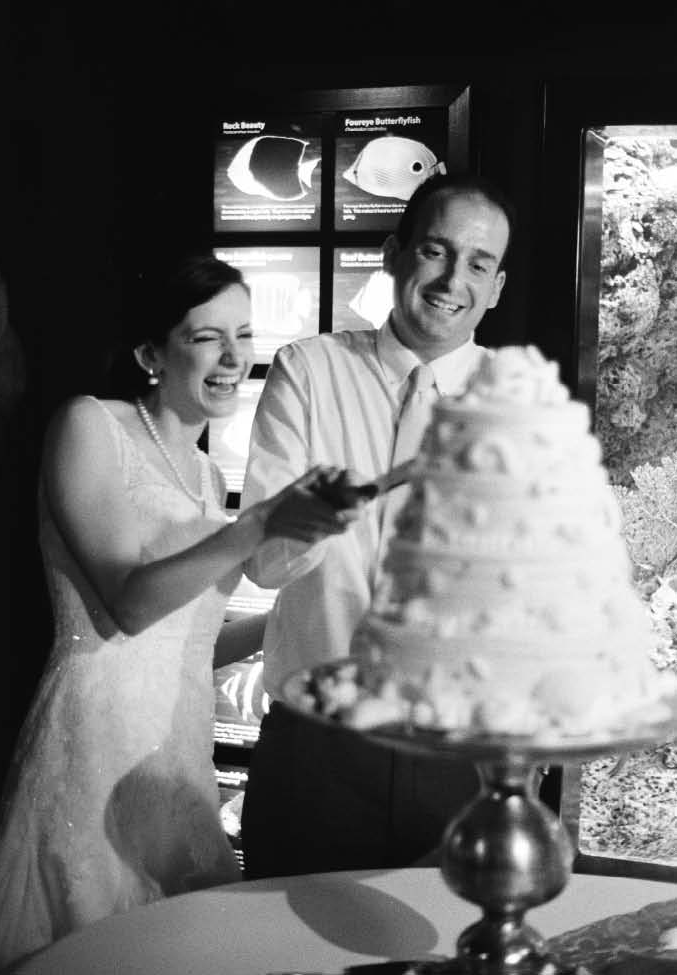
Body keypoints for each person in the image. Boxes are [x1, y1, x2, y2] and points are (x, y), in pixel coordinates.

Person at [0, 256, 363, 973]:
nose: (233, 357)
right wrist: (255, 526)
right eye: (206, 337)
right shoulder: (90, 425)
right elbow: (128, 604)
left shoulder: (210, 475)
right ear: (151, 354)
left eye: (242, 335)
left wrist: (316, 627)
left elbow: (189, 638)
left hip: (177, 748)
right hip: (93, 740)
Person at [239, 173, 514, 879]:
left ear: (496, 286)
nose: (453, 278)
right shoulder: (307, 370)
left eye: (477, 264)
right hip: (316, 751)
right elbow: (265, 565)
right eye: (434, 250)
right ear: (393, 254)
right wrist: (339, 504)